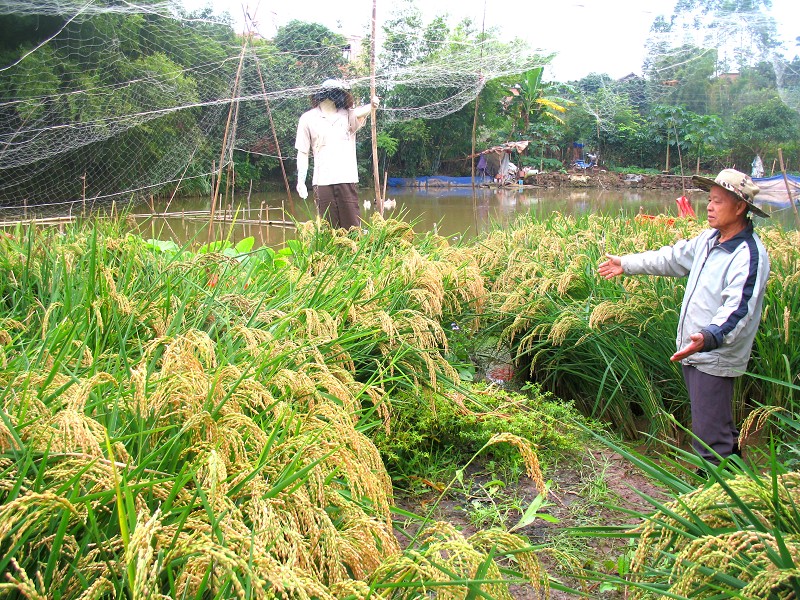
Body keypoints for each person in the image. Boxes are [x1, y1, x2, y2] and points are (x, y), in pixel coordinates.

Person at [598, 168, 770, 466]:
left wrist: (708, 337)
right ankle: (738, 489)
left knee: (709, 438)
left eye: (718, 201)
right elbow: (672, 258)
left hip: (714, 355)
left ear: (740, 207)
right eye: (710, 199)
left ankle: (716, 501)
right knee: (716, 426)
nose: (710, 206)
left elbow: (738, 310)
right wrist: (626, 263)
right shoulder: (709, 240)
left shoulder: (747, 254)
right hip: (696, 349)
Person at [295, 79, 379, 229]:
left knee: (352, 226)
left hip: (346, 178)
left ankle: (354, 252)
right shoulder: (307, 119)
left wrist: (372, 105)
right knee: (328, 229)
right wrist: (301, 180)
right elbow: (302, 152)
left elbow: (361, 111)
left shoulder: (347, 115)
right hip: (322, 181)